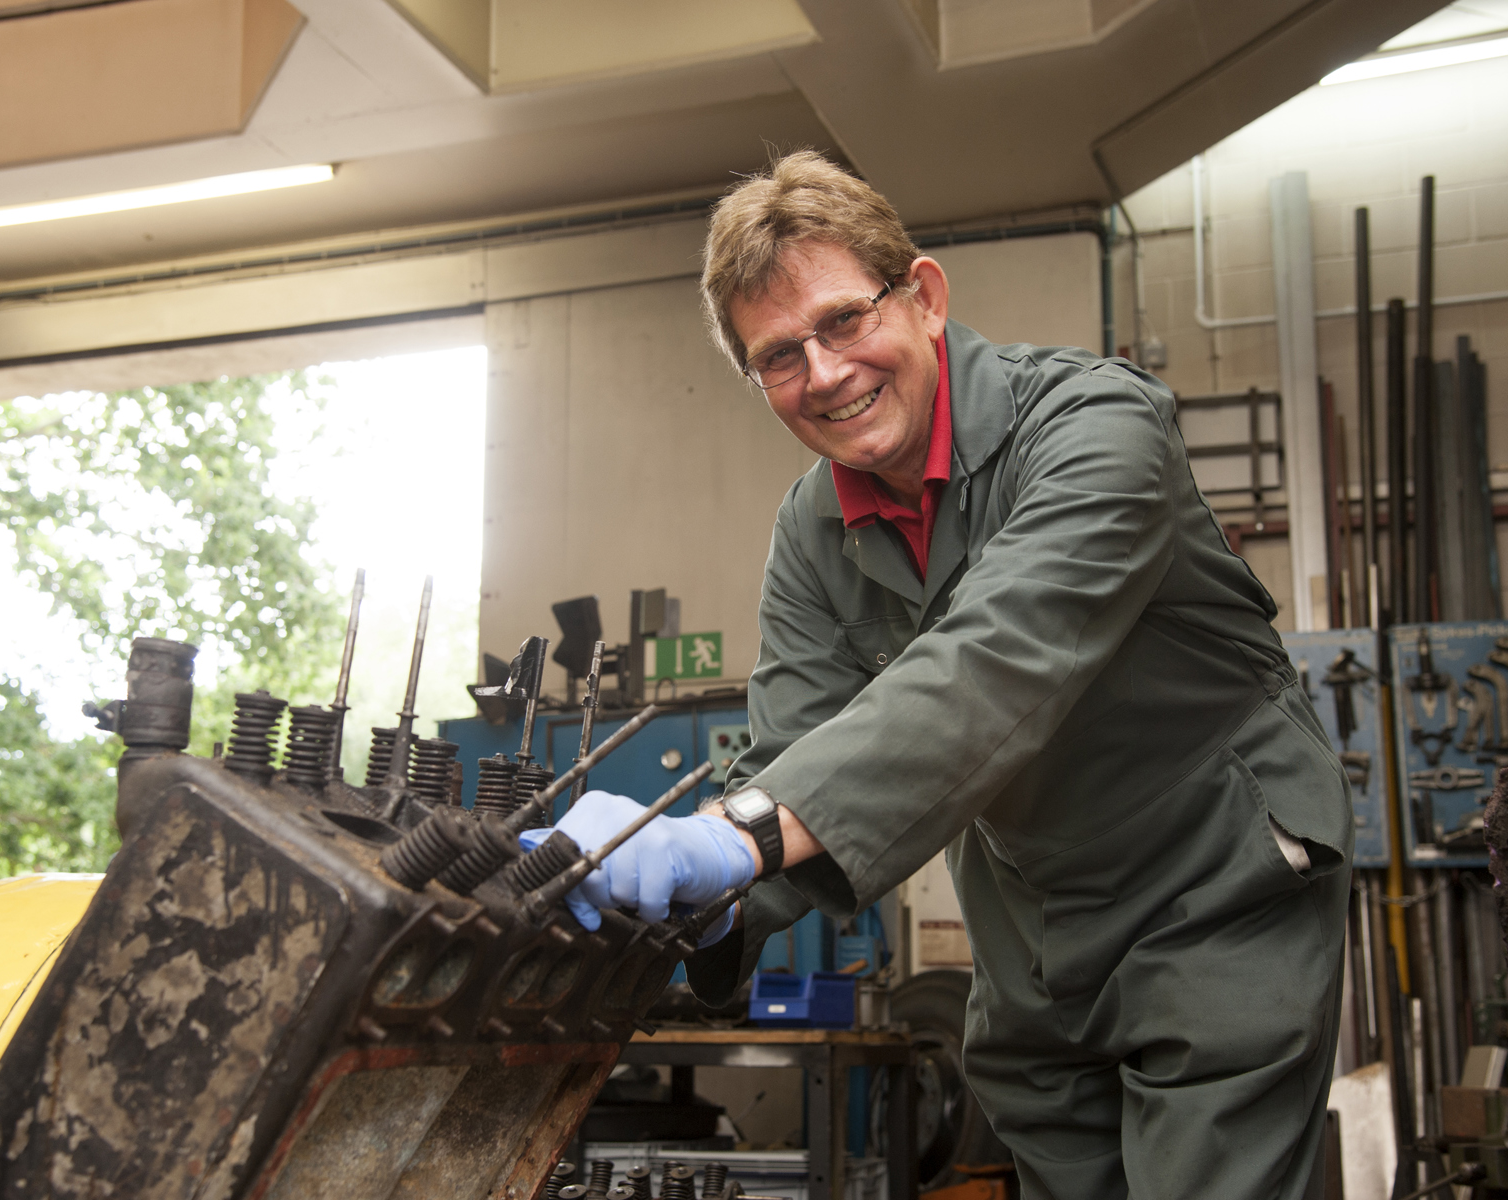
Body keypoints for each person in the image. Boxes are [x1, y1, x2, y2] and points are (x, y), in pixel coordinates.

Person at [543, 152, 1353, 1199]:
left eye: (842, 321)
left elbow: (1000, 658)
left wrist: (728, 840)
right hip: (1033, 934)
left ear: (922, 296)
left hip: (1214, 887)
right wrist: (697, 907)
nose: (824, 373)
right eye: (778, 356)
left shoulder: (1094, 425)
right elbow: (789, 753)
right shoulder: (812, 528)